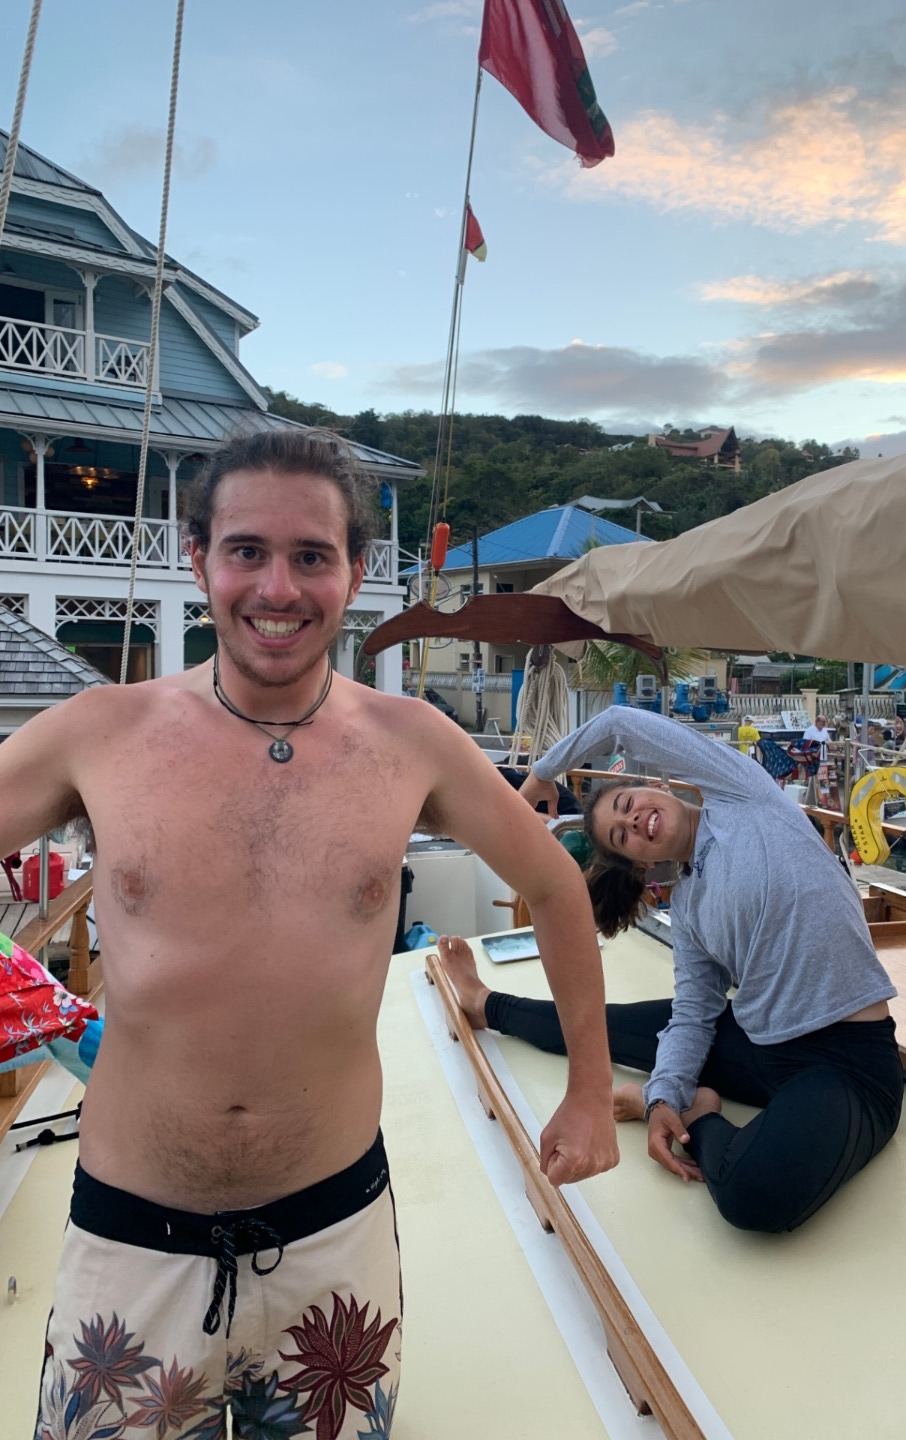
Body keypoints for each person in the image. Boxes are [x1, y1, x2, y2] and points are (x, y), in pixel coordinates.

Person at [0, 428, 617, 1438]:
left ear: (355, 573)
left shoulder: (411, 743)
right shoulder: (99, 732)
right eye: (246, 550)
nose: (277, 588)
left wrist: (590, 1092)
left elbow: (555, 886)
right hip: (131, 1240)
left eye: (311, 556)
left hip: (334, 1237)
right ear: (197, 559)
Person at [441, 708, 903, 1234]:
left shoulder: (741, 794)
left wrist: (543, 773)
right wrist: (663, 1097)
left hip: (847, 1064)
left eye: (627, 805)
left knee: (753, 1196)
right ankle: (487, 1004)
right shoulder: (687, 910)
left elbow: (619, 722)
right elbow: (692, 1016)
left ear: (655, 786)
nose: (633, 821)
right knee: (598, 1025)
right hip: (760, 1048)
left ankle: (698, 1113)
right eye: (621, 836)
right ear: (638, 862)